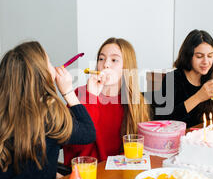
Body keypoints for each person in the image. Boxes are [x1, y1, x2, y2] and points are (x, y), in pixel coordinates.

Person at [0, 41, 96, 179]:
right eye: (49, 63)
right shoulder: (50, 116)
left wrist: (53, 174)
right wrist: (68, 92)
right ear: (43, 76)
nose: (54, 67)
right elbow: (88, 132)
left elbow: (29, 169)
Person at [63, 37, 150, 166]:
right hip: (86, 175)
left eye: (114, 60)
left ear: (127, 67)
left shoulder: (136, 102)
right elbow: (76, 147)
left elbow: (139, 150)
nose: (106, 64)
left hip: (120, 173)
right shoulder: (79, 94)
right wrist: (91, 97)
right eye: (101, 59)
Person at [153, 29, 213, 127]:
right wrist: (198, 97)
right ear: (188, 55)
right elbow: (162, 120)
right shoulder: (172, 79)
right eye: (199, 56)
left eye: (210, 56)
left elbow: (212, 116)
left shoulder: (210, 78)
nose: (206, 62)